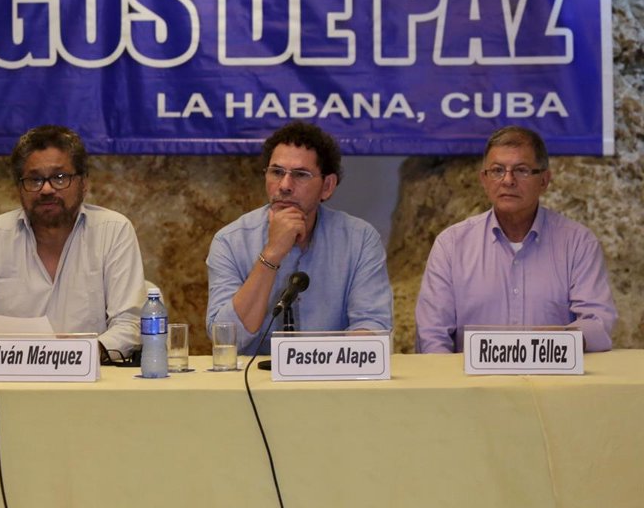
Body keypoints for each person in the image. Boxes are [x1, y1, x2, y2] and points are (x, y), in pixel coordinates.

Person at [0, 125, 145, 361]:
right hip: (8, 379)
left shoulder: (113, 231)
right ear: (19, 188)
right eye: (34, 180)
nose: (47, 189)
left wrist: (84, 352)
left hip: (91, 377)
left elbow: (131, 325)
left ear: (84, 183)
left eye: (59, 178)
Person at [416, 126, 617, 353]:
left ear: (544, 180)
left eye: (521, 170)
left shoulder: (578, 243)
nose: (508, 180)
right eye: (497, 170)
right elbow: (432, 336)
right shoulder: (451, 245)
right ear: (484, 179)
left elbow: (598, 323)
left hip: (552, 373)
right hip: (469, 377)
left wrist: (562, 339)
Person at [206, 122, 393, 356]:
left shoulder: (360, 240)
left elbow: (373, 328)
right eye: (276, 172)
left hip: (333, 374)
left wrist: (315, 364)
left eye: (300, 175)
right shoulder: (230, 241)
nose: (284, 186)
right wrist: (271, 254)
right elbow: (225, 339)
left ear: (327, 186)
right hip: (253, 377)